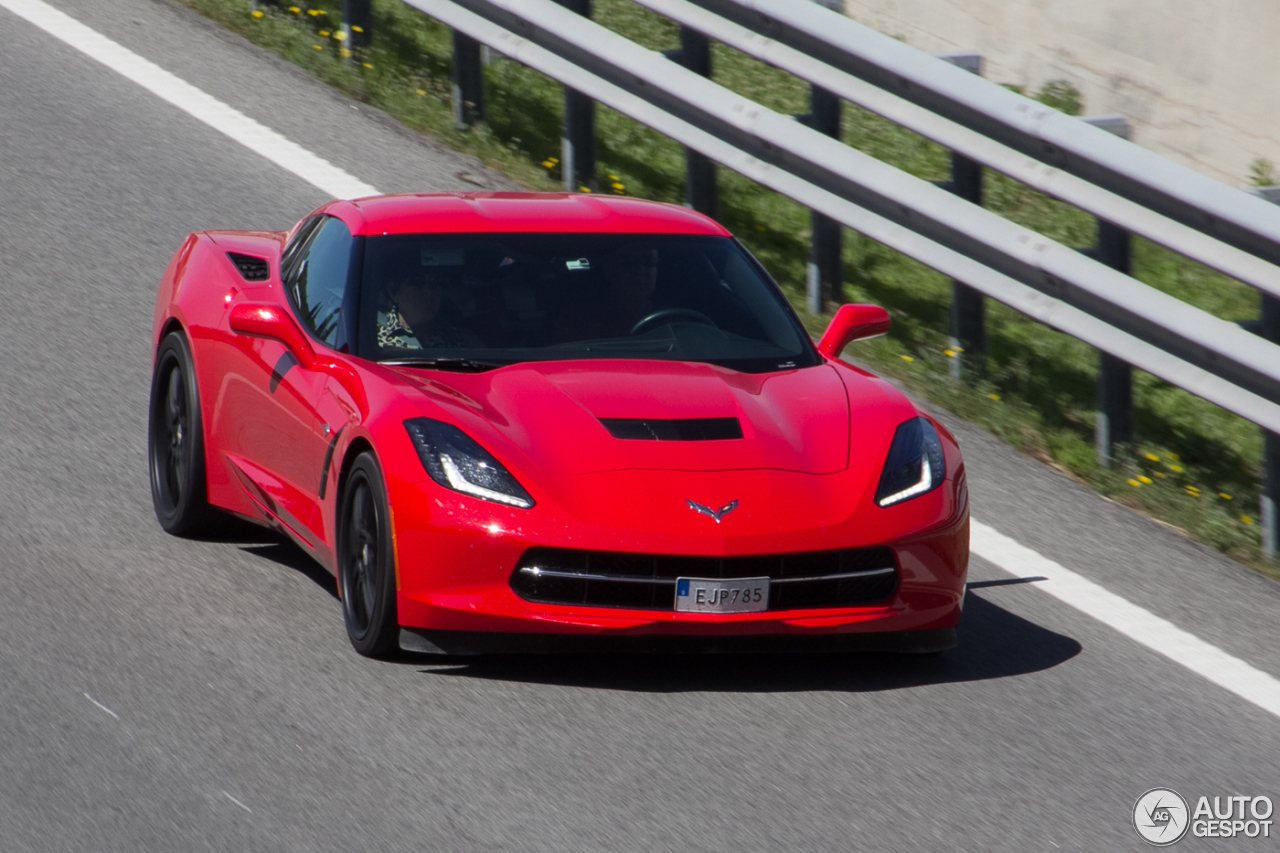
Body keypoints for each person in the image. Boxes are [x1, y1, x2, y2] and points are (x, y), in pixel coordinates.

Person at [553, 246, 660, 342]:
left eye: (649, 262)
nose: (640, 271)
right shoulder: (576, 321)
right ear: (609, 269)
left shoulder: (670, 321)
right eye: (628, 263)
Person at [377, 269, 481, 350]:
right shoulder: (374, 336)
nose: (428, 292)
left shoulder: (463, 339)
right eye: (418, 283)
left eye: (436, 284)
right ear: (393, 291)